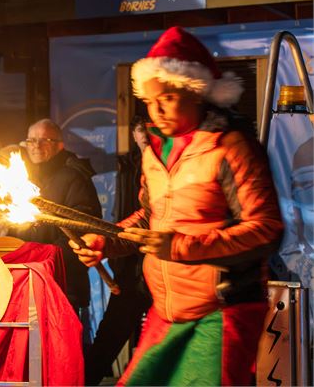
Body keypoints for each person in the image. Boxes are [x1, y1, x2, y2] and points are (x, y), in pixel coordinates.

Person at [70, 27, 283, 385]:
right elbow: (150, 218)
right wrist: (109, 242)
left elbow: (266, 231)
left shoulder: (230, 147)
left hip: (223, 310)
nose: (157, 109)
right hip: (167, 310)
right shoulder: (155, 149)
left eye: (167, 96)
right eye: (150, 100)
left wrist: (182, 247)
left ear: (194, 91)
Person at [85, 116, 152, 384]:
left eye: (148, 143)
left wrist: (172, 244)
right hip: (134, 266)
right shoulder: (136, 166)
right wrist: (107, 242)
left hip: (176, 278)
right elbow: (146, 215)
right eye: (141, 145)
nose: (146, 152)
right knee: (112, 332)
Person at [15, 118, 101, 313]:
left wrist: (44, 259)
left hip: (64, 284)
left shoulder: (74, 178)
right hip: (29, 280)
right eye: (31, 140)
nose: (36, 146)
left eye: (45, 140)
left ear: (60, 145)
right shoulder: (25, 178)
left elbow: (82, 228)